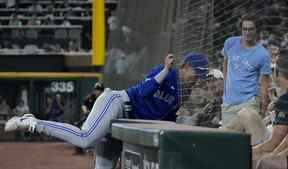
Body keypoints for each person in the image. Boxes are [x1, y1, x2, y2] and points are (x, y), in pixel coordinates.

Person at [4, 52, 209, 169]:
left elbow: (168, 120)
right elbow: (145, 92)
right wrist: (165, 70)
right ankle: (33, 122)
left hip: (129, 124)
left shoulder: (184, 94)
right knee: (85, 138)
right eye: (196, 72)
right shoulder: (164, 71)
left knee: (103, 166)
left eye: (201, 76)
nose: (197, 78)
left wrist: (191, 119)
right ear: (185, 66)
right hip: (117, 104)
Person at [220, 14, 272, 145]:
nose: (247, 32)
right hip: (228, 103)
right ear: (241, 29)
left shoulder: (263, 54)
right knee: (228, 143)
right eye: (245, 29)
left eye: (251, 29)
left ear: (256, 30)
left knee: (249, 143)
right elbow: (225, 63)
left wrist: (263, 107)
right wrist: (225, 88)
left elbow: (265, 83)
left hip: (249, 102)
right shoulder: (230, 42)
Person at [252, 49, 288, 169]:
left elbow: (275, 142)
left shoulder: (284, 100)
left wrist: (250, 151)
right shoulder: (282, 99)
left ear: (277, 72)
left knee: (263, 162)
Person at [73, 82, 105, 155]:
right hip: (89, 117)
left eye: (100, 90)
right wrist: (86, 111)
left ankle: (97, 149)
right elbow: (84, 105)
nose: (98, 91)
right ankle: (79, 149)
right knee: (79, 128)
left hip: (100, 119)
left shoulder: (104, 98)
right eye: (96, 89)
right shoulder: (90, 97)